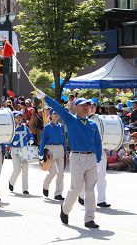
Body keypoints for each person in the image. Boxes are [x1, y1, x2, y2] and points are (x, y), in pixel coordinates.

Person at [37, 91, 102, 229]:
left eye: (88, 105)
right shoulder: (71, 119)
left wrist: (98, 157)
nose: (86, 107)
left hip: (91, 158)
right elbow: (58, 107)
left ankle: (89, 219)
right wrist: (45, 97)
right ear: (75, 108)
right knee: (76, 188)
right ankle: (65, 209)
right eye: (83, 105)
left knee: (90, 189)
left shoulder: (92, 124)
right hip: (77, 157)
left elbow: (98, 142)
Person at [39, 109, 67, 200]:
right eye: (54, 113)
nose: (56, 115)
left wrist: (65, 151)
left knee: (61, 173)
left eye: (57, 113)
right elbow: (43, 141)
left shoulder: (61, 126)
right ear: (50, 115)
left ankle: (58, 193)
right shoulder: (47, 127)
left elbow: (64, 140)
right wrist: (41, 153)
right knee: (53, 172)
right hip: (50, 149)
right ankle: (45, 185)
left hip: (60, 149)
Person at [8, 112, 35, 195]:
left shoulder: (24, 127)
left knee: (25, 170)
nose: (19, 119)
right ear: (14, 118)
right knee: (17, 169)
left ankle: (25, 189)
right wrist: (12, 144)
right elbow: (7, 139)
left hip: (24, 150)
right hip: (15, 151)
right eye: (17, 117)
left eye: (20, 117)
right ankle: (11, 182)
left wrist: (31, 139)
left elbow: (30, 136)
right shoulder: (11, 128)